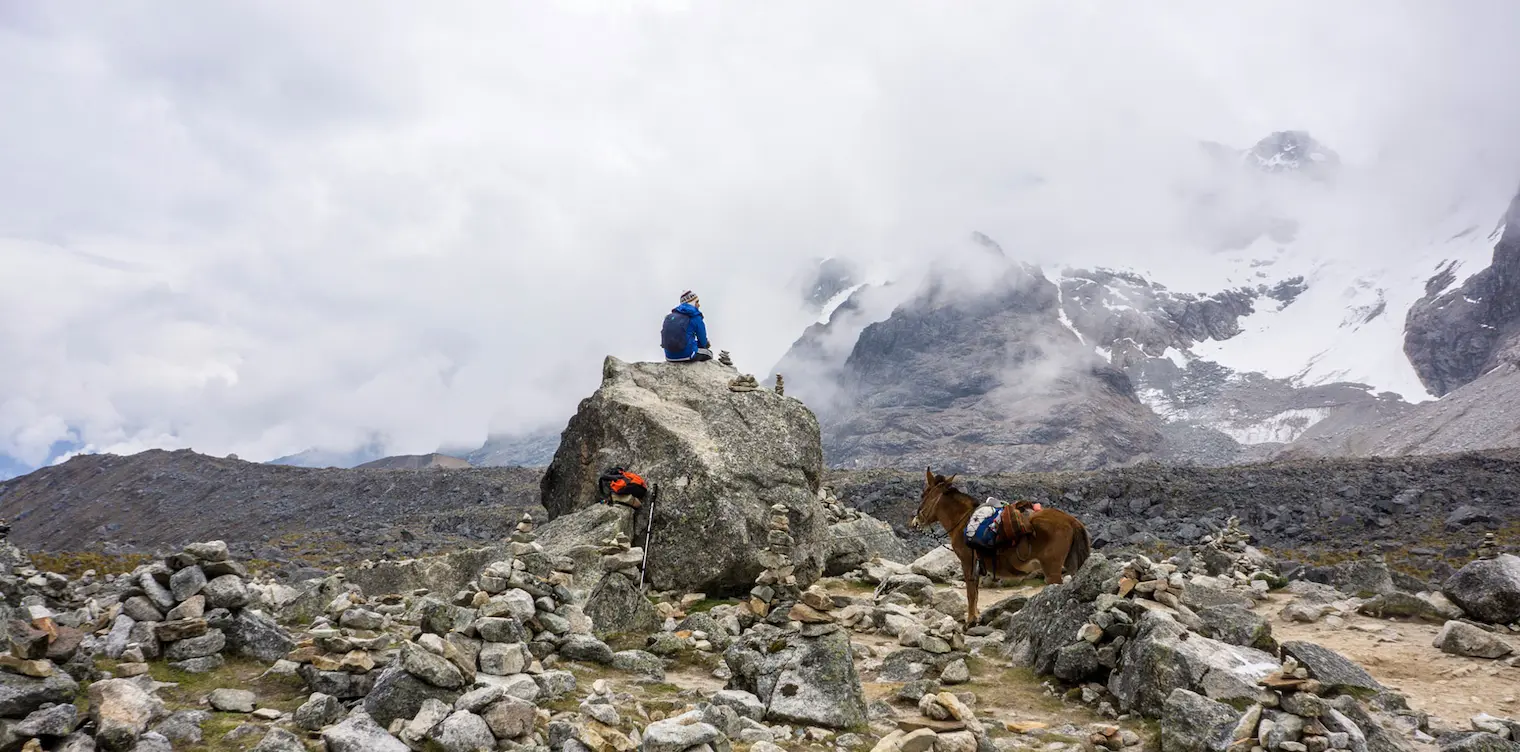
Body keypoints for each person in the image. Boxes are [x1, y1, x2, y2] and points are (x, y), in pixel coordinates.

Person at [661, 290, 713, 362]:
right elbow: (702, 341)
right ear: (691, 302)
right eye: (697, 302)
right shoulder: (695, 316)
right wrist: (706, 345)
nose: (699, 305)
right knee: (709, 353)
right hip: (687, 355)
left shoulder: (669, 316)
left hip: (669, 357)